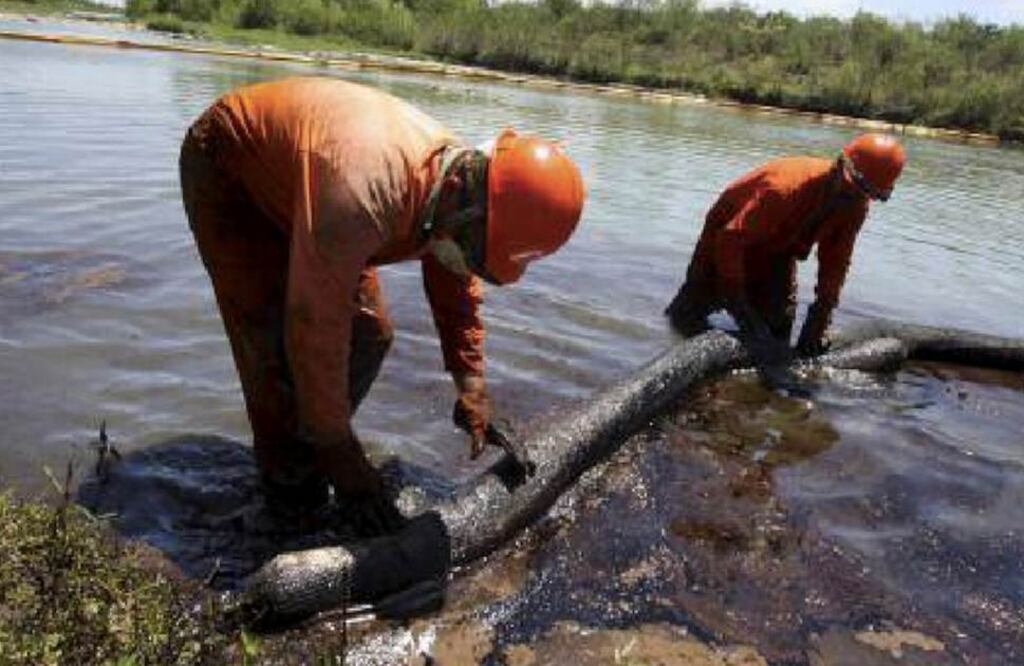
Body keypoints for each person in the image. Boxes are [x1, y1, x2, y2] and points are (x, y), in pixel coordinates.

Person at [179, 77, 585, 534]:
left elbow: (454, 281)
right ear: (459, 188)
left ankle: (308, 443)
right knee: (273, 345)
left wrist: (470, 386)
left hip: (316, 188)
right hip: (231, 172)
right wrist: (343, 458)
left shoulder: (458, 195)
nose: (465, 263)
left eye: (477, 260)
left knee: (370, 334)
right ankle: (286, 496)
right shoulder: (364, 193)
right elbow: (313, 326)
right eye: (471, 249)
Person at [665, 133, 905, 367]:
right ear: (841, 164)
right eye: (854, 188)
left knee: (778, 329)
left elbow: (836, 261)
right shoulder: (784, 188)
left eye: (869, 195)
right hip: (726, 239)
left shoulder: (856, 206)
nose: (854, 197)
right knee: (686, 318)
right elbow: (731, 240)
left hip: (779, 251)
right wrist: (737, 301)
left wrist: (821, 314)